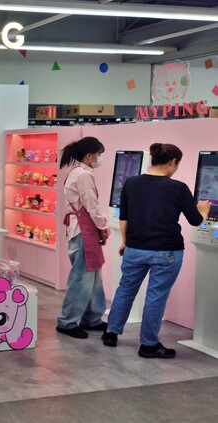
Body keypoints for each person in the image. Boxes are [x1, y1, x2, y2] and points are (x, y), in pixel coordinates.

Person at [103, 143, 210, 358]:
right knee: (156, 297)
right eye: (177, 164)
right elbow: (195, 220)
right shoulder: (178, 188)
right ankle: (148, 345)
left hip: (134, 248)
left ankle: (111, 333)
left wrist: (125, 241)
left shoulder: (131, 183)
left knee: (125, 290)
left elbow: (124, 217)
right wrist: (204, 211)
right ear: (173, 162)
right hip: (167, 251)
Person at [56, 137, 110, 339]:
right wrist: (103, 226)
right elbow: (91, 204)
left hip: (79, 229)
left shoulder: (75, 172)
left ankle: (92, 318)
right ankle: (67, 321)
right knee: (82, 277)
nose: (100, 158)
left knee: (93, 276)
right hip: (83, 231)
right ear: (89, 155)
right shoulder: (83, 175)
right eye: (99, 154)